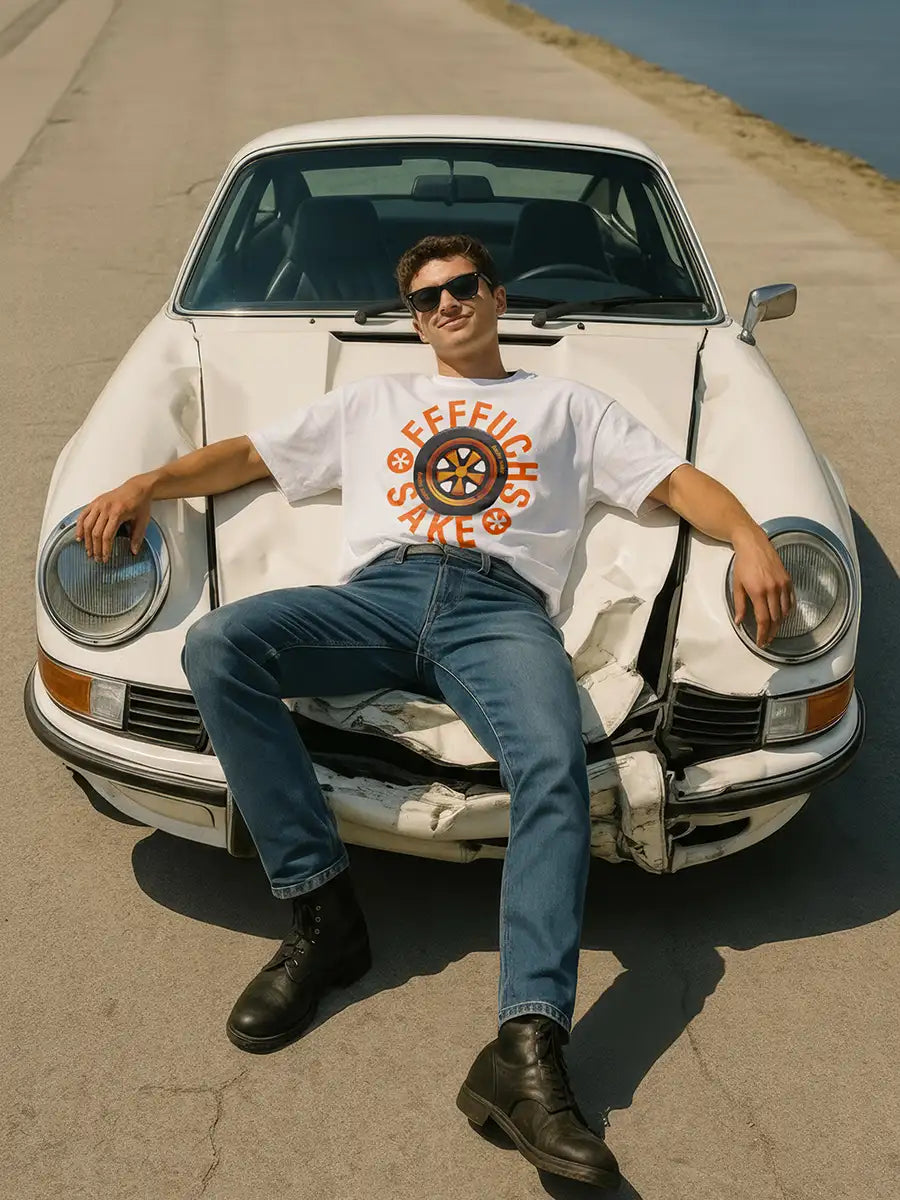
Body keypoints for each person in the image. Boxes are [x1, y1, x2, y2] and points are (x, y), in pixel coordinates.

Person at [75, 233, 794, 1189]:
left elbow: (674, 483)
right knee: (220, 646)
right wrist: (143, 482)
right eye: (424, 299)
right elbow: (250, 457)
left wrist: (748, 533)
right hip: (379, 594)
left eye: (461, 289)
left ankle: (526, 1050)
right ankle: (324, 916)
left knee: (554, 766)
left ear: (496, 297)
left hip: (500, 611)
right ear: (412, 321)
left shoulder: (566, 405)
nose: (445, 307)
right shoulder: (377, 401)